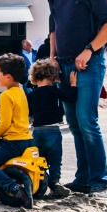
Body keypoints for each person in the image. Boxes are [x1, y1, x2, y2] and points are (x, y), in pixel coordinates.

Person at [42, 0, 107, 193]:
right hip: (63, 66)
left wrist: (88, 50)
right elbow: (53, 29)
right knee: (74, 123)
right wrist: (52, 58)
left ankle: (98, 180)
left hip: (90, 63)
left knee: (87, 120)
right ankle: (83, 178)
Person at [0, 54, 35, 209]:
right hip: (26, 138)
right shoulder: (21, 91)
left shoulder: (6, 95)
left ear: (8, 77)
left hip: (13, 142)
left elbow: (4, 123)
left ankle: (15, 189)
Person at [26, 58, 70, 199]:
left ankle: (40, 181)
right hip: (53, 131)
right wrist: (73, 85)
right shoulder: (53, 90)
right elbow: (70, 97)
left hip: (37, 131)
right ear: (52, 76)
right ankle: (55, 182)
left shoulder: (31, 94)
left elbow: (28, 112)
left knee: (39, 160)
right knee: (55, 160)